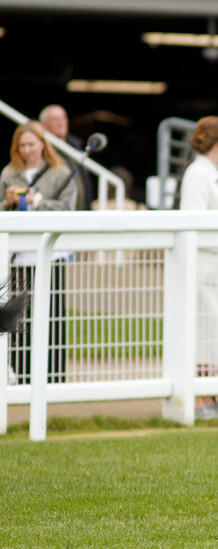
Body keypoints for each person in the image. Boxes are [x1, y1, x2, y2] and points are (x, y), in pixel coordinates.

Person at [0, 120, 76, 385]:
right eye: (21, 145)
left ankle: (53, 376)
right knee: (20, 317)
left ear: (43, 145)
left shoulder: (60, 172)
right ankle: (21, 374)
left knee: (52, 314)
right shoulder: (9, 173)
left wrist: (38, 202)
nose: (26, 150)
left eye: (31, 144)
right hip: (19, 255)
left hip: (50, 255)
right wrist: (8, 203)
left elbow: (68, 209)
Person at [179, 116, 218, 420]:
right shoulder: (196, 173)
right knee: (201, 333)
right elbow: (193, 219)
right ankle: (197, 400)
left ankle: (208, 396)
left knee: (214, 335)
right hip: (204, 266)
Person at [39, 104, 93, 211]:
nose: (61, 122)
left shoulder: (76, 149)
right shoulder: (40, 151)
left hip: (80, 213)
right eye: (55, 119)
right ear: (43, 125)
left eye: (64, 118)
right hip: (55, 216)